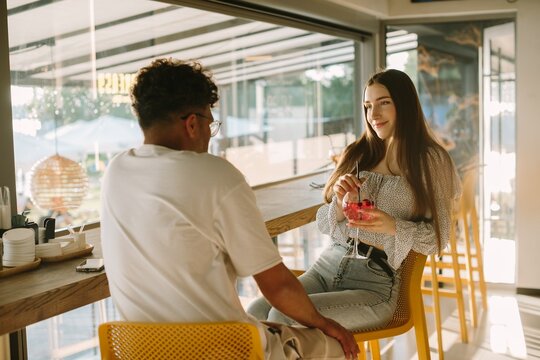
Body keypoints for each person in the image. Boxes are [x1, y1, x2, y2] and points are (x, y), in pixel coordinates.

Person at [100, 58, 359, 360]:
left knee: (264, 326)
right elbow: (276, 286)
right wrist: (325, 324)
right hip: (218, 350)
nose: (211, 133)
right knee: (334, 346)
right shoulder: (215, 175)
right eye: (211, 123)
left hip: (138, 350)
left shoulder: (115, 171)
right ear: (192, 123)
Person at [247, 68, 461, 331]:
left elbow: (441, 238)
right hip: (327, 265)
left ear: (404, 105)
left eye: (384, 103)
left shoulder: (430, 161)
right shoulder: (359, 153)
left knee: (285, 319)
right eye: (368, 106)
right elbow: (325, 225)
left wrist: (394, 226)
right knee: (255, 312)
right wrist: (340, 200)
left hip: (374, 283)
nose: (374, 115)